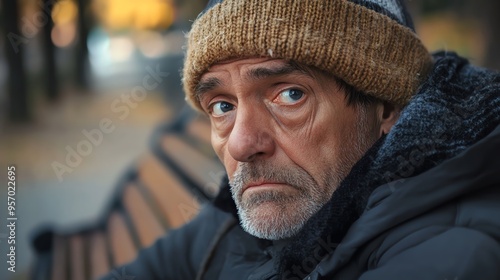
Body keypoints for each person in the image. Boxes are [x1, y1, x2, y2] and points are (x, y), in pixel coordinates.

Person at [103, 0, 500, 279]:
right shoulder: (233, 221)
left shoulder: (454, 251)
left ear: (385, 108)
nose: (242, 144)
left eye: (290, 95)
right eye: (222, 106)